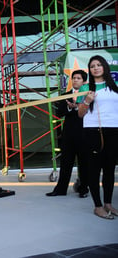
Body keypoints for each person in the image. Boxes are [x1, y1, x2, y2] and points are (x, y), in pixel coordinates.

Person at [77, 55, 118, 220]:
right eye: (92, 66)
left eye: (99, 65)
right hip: (94, 131)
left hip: (114, 131)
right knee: (94, 170)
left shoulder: (114, 87)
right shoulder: (86, 88)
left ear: (105, 67)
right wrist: (87, 101)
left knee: (109, 169)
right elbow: (80, 114)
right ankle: (98, 206)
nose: (96, 68)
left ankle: (108, 203)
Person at [46, 70, 89, 198]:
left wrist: (77, 107)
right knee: (65, 163)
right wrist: (71, 107)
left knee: (84, 164)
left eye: (78, 78)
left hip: (84, 134)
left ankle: (83, 189)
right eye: (74, 78)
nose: (75, 80)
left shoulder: (88, 95)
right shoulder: (65, 96)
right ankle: (60, 189)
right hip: (68, 135)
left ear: (84, 81)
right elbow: (59, 113)